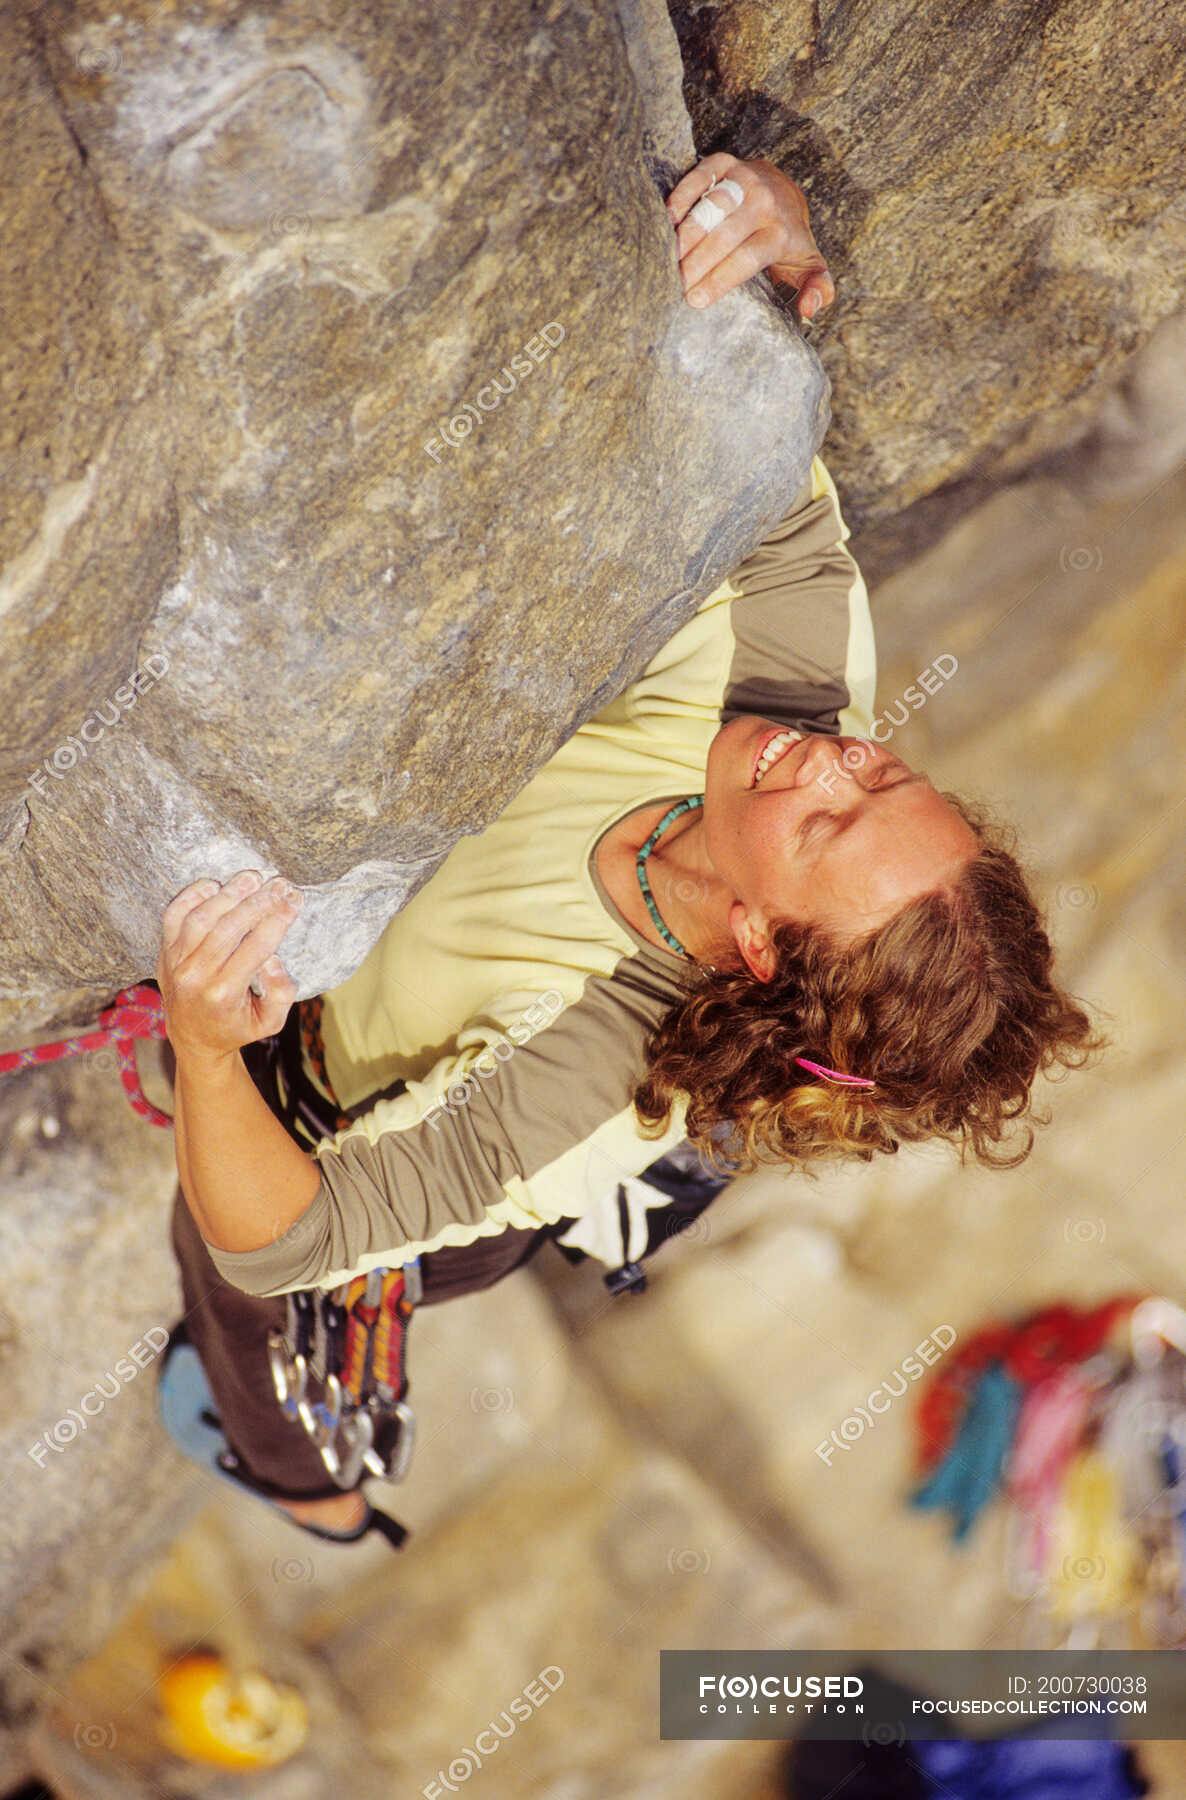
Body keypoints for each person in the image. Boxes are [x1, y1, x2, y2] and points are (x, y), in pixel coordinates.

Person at [157, 155, 1102, 1539]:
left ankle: (318, 1491)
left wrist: (197, 1041)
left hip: (395, 1131)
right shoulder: (789, 683)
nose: (836, 753)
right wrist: (768, 253)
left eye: (830, 819)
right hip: (683, 1050)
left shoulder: (587, 1070)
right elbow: (746, 430)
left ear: (762, 936)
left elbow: (279, 1236)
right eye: (886, 771)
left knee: (255, 1308)